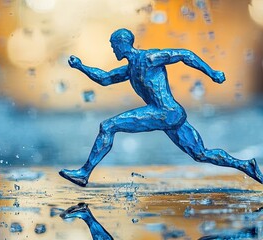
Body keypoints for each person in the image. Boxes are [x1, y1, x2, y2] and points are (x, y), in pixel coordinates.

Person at [59, 28, 263, 187]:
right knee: (201, 154)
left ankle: (84, 173)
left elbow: (185, 54)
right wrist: (81, 66)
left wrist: (212, 72)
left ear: (122, 44)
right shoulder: (130, 69)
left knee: (108, 126)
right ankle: (245, 165)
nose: (113, 49)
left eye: (114, 45)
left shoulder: (149, 58)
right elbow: (104, 78)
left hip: (165, 112)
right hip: (172, 116)